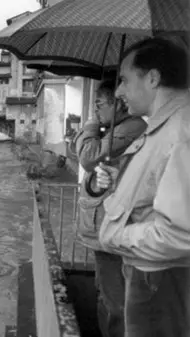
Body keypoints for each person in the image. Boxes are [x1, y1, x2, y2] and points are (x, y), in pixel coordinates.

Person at [92, 37, 190, 337]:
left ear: (153, 77)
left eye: (123, 79)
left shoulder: (181, 131)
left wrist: (115, 235)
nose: (118, 91)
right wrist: (115, 178)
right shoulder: (162, 127)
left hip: (159, 279)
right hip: (149, 273)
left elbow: (180, 233)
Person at [71, 79, 147, 337]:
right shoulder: (116, 128)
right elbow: (78, 148)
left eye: (99, 104)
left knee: (114, 301)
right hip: (104, 227)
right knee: (106, 294)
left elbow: (88, 157)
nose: (96, 111)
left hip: (112, 227)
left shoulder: (132, 128)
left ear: (118, 105)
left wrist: (91, 126)